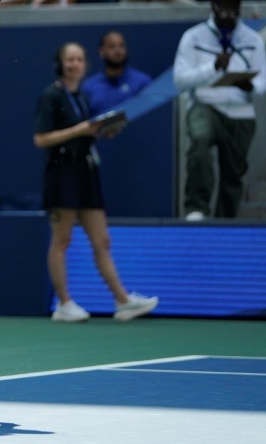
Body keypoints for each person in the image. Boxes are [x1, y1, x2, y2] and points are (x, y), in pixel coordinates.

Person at [33, 42, 158, 323]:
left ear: (86, 65)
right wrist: (81, 129)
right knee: (61, 240)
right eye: (70, 59)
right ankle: (63, 304)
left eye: (79, 59)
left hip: (86, 171)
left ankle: (123, 302)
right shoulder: (51, 95)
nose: (75, 64)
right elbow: (40, 139)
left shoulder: (83, 97)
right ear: (60, 64)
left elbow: (84, 133)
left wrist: (101, 132)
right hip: (61, 172)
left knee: (102, 240)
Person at [173, 0, 266, 220]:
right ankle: (196, 208)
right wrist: (212, 67)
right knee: (200, 141)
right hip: (206, 103)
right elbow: (180, 79)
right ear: (214, 7)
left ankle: (226, 220)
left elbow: (264, 81)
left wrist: (250, 86)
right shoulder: (193, 37)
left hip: (241, 110)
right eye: (225, 10)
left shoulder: (253, 40)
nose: (229, 16)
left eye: (235, 11)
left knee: (233, 171)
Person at [81, 30, 153, 116]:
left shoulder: (142, 82)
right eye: (112, 46)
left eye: (121, 46)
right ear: (101, 51)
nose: (118, 51)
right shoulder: (88, 87)